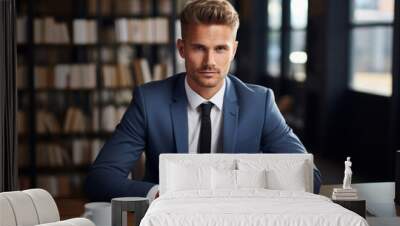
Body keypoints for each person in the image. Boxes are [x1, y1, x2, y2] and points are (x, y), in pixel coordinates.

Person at [85, 0, 322, 202]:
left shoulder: (259, 103)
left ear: (234, 51)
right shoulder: (150, 101)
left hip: (239, 221)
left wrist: (245, 189)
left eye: (220, 49)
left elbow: (310, 178)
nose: (210, 61)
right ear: (181, 48)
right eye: (199, 48)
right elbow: (101, 179)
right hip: (169, 221)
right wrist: (163, 194)